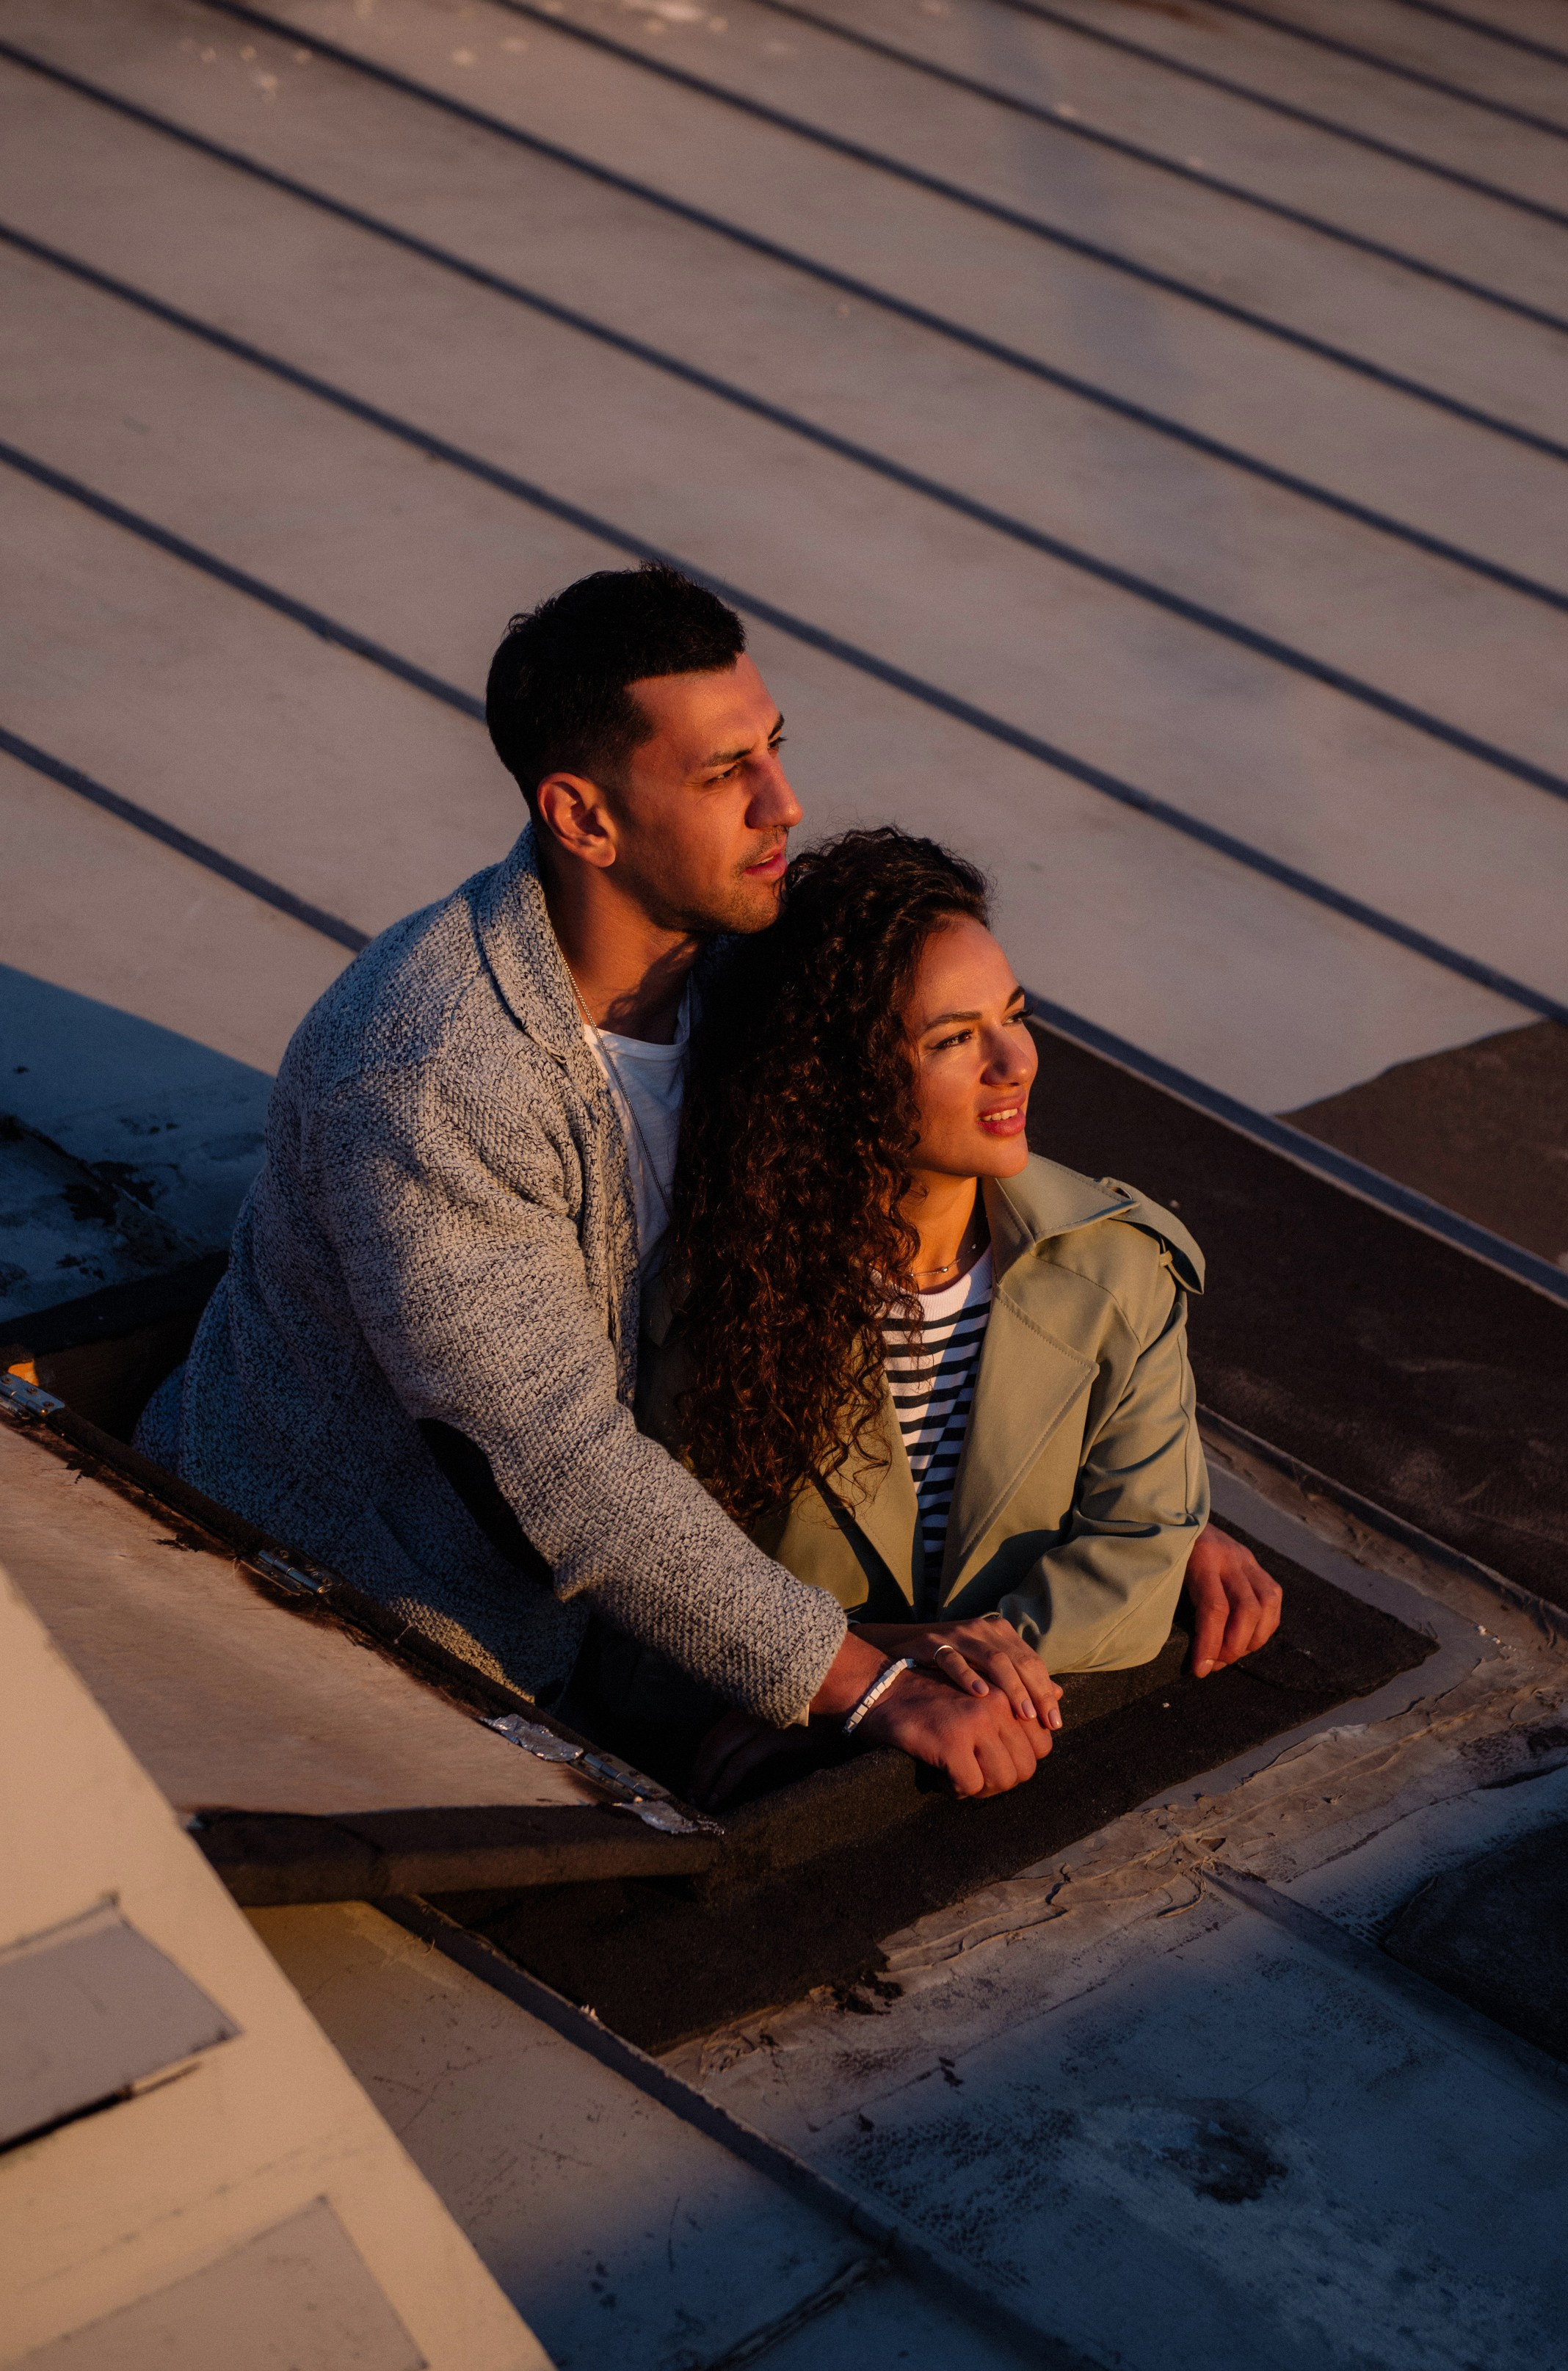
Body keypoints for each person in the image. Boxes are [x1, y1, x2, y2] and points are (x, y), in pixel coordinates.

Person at [137, 564, 1277, 1804]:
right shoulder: (434, 1071)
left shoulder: (746, 965)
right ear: (583, 819)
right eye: (724, 774)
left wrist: (1137, 1521)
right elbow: (555, 1471)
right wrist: (858, 1681)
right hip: (366, 1632)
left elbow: (940, 1180)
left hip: (659, 1612)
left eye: (774, 750)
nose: (782, 804)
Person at [639, 827, 1276, 1807]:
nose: (1015, 1060)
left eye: (1013, 1015)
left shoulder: (1118, 1264)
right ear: (834, 1083)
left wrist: (964, 1656)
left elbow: (1144, 1541)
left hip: (1015, 1797)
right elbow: (652, 1586)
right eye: (953, 1038)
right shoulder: (718, 1295)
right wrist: (865, 1668)